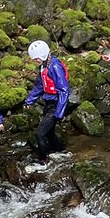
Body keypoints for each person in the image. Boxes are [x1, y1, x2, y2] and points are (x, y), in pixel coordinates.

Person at [23, 40, 73, 173]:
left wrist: (59, 113)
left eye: (37, 58)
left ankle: (42, 162)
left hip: (57, 103)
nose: (36, 60)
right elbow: (39, 86)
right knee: (49, 132)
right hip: (49, 102)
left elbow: (64, 90)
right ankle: (62, 150)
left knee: (40, 134)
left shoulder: (54, 67)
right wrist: (29, 101)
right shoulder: (43, 67)